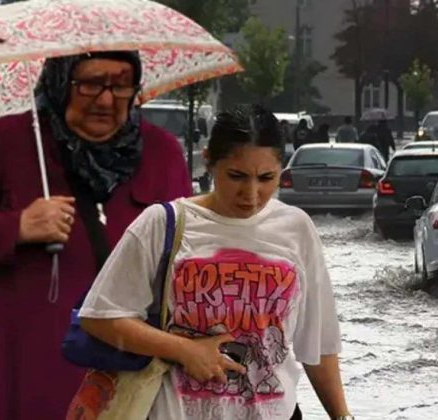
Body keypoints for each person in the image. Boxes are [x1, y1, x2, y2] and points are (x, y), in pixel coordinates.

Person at [0, 51, 192, 420]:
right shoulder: (8, 141)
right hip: (16, 378)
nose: (105, 99)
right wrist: (15, 226)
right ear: (60, 83)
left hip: (127, 380)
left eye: (120, 85)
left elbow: (190, 256)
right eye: (91, 84)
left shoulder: (162, 152)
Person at [78, 104, 352, 420]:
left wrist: (342, 416)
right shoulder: (163, 224)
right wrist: (185, 350)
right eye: (236, 176)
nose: (251, 194)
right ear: (208, 161)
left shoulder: (296, 228)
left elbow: (318, 343)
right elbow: (99, 317)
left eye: (266, 178)